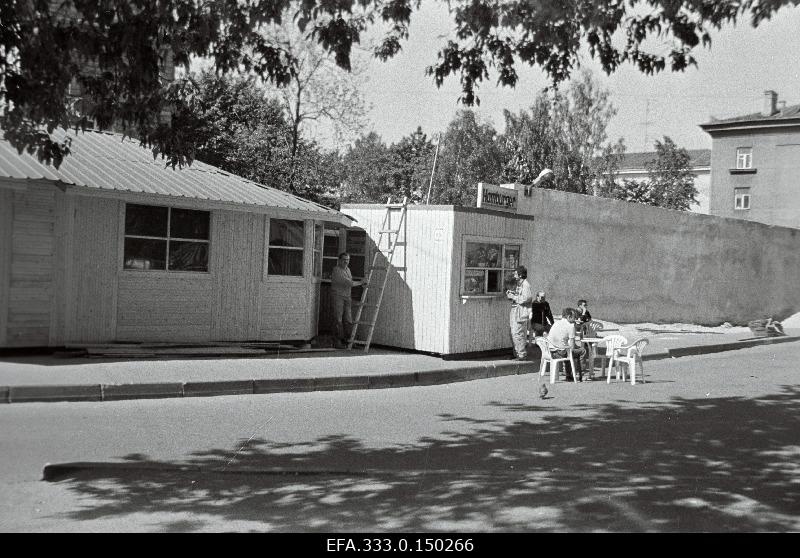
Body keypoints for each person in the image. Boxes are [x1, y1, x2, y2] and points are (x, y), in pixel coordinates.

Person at [331, 252, 362, 348]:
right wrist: (362, 282)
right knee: (338, 319)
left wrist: (360, 283)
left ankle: (349, 341)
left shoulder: (348, 269)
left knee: (348, 319)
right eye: (344, 259)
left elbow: (350, 283)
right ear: (339, 260)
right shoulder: (337, 270)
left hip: (347, 296)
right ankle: (337, 342)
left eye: (348, 260)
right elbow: (349, 283)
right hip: (338, 296)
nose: (346, 262)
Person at [547, 307, 586, 381]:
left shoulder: (556, 323)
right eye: (574, 317)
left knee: (568, 351)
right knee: (582, 351)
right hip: (561, 353)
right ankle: (580, 375)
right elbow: (572, 347)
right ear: (569, 317)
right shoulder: (570, 326)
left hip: (551, 351)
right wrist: (577, 347)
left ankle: (569, 375)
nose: (575, 319)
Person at [506, 265, 533, 360]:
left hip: (521, 313)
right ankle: (517, 353)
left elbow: (526, 298)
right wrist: (513, 294)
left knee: (518, 333)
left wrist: (513, 297)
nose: (514, 275)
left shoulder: (525, 285)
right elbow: (520, 296)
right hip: (516, 311)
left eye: (516, 274)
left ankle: (521, 354)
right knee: (513, 333)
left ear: (520, 275)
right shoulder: (519, 284)